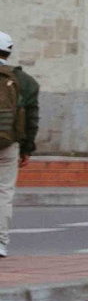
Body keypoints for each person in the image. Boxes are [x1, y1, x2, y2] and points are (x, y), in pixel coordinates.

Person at [0, 32, 34, 258]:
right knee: (4, 191)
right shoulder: (23, 80)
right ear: (9, 51)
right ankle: (0, 242)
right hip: (8, 143)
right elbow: (32, 117)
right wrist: (27, 148)